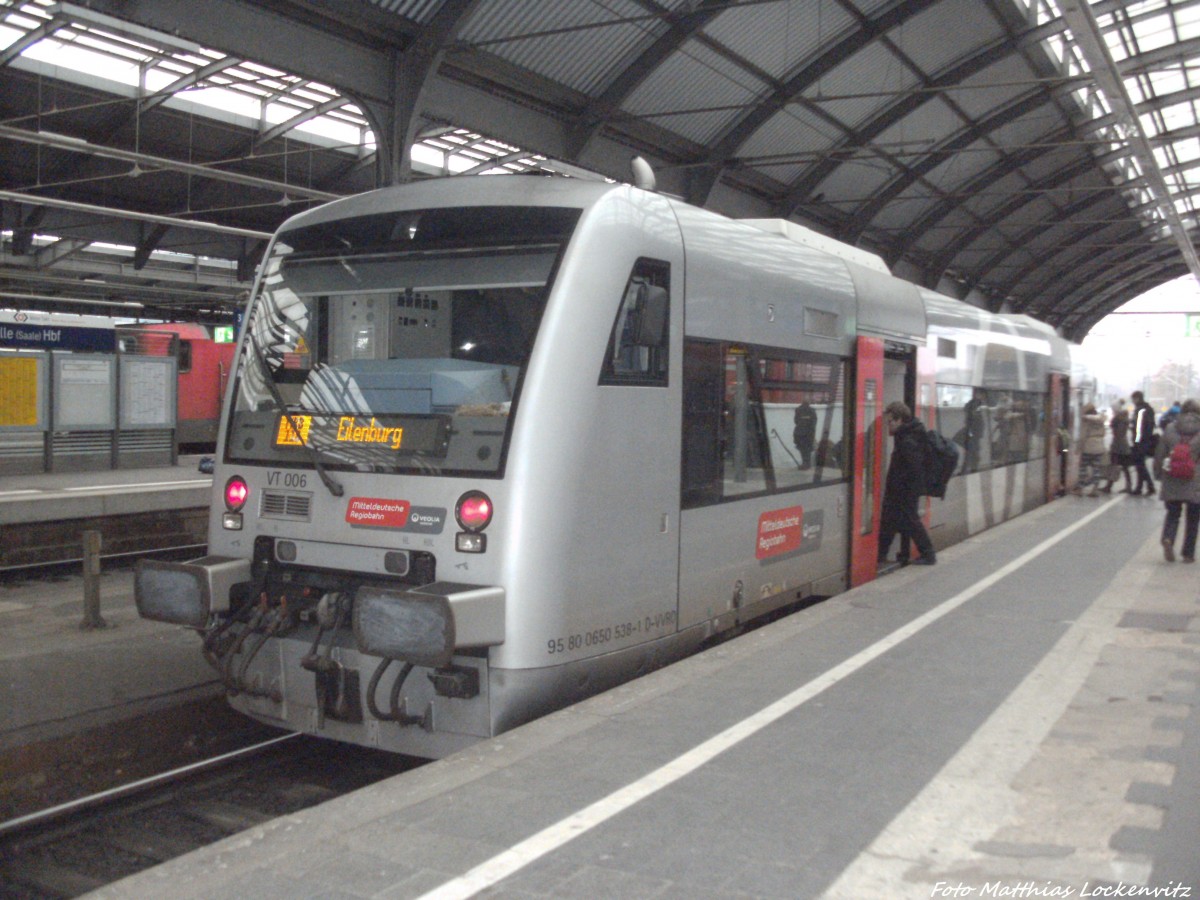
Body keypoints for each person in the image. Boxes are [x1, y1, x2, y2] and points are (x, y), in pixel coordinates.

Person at [877, 400, 936, 566]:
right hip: (903, 489)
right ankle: (881, 555)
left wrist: (899, 487)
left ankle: (928, 554)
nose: (888, 425)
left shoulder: (907, 440)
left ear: (899, 420)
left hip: (904, 490)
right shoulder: (909, 434)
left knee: (909, 521)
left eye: (890, 422)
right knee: (890, 521)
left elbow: (913, 468)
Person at [1152, 398, 1200, 562]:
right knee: (1193, 519)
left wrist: (1158, 473)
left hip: (1172, 476)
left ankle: (1168, 538)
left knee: (1173, 513)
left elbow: (1160, 453)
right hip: (1195, 479)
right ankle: (1188, 554)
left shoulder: (1170, 428)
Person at [1074, 402, 1107, 496]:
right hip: (1099, 447)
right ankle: (1095, 490)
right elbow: (1104, 430)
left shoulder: (1086, 421)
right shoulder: (1100, 420)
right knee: (1096, 469)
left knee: (1083, 468)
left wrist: (1078, 448)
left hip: (1088, 447)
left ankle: (1080, 489)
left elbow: (1083, 435)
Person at [1130, 390, 1157, 496]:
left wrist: (1136, 441)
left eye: (1133, 399)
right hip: (1145, 440)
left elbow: (1139, 428)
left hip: (1140, 442)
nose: (1132, 401)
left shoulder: (1140, 410)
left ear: (1137, 398)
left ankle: (1149, 487)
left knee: (1140, 465)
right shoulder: (1148, 409)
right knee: (1140, 465)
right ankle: (1140, 487)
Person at [1109, 400, 1133, 493]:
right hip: (1123, 445)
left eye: (1113, 410)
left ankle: (1109, 485)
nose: (1112, 411)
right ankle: (1128, 485)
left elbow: (1119, 433)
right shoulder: (1123, 419)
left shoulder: (1119, 420)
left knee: (1115, 465)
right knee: (1124, 467)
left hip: (1119, 446)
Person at [792, 401, 817, 469]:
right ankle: (806, 464)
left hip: (800, 433)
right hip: (808, 433)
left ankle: (805, 463)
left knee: (803, 449)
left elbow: (796, 421)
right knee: (807, 449)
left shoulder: (798, 410)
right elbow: (813, 424)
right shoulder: (812, 410)